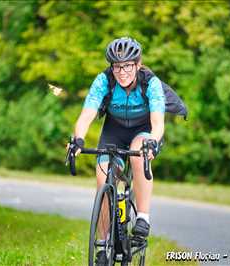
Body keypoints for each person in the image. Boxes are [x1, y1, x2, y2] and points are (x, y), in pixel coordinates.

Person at [68, 37, 165, 264]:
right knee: (103, 178)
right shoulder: (104, 81)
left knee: (138, 153)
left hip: (144, 131)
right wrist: (78, 139)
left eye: (127, 66)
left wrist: (152, 141)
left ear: (138, 64)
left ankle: (142, 218)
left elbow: (158, 122)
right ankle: (102, 245)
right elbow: (86, 115)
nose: (122, 72)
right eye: (117, 66)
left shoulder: (151, 83)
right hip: (113, 132)